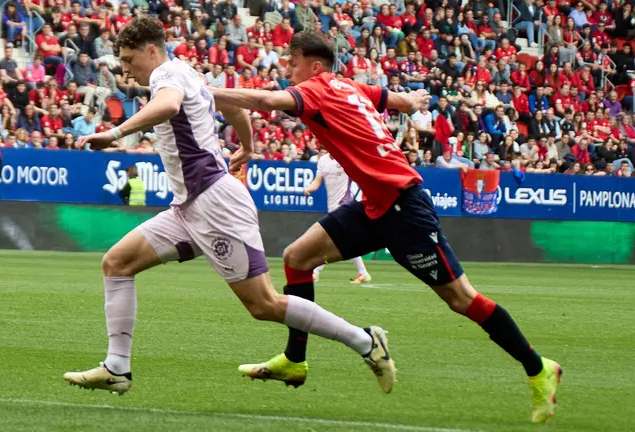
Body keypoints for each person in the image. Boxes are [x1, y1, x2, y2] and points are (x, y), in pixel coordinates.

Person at [209, 32, 561, 424]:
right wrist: (408, 102)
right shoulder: (345, 85)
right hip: (375, 206)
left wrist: (201, 90)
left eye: (292, 63)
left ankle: (538, 367)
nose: (287, 70)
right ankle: (295, 360)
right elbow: (385, 98)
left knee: (461, 299)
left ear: (315, 66)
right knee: (297, 257)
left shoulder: (318, 90)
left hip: (405, 208)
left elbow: (263, 101)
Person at [62, 16, 395, 396]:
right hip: (188, 207)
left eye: (127, 59)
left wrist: (117, 132)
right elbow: (234, 108)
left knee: (263, 303)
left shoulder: (164, 78)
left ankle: (365, 341)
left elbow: (169, 106)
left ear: (151, 51)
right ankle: (117, 367)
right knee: (117, 264)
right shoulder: (188, 73)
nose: (124, 68)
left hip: (214, 204)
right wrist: (248, 146)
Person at [302, 152, 371, 284]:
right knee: (343, 242)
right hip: (332, 206)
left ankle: (315, 273)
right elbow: (317, 182)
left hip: (344, 205)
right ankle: (363, 273)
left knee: (328, 239)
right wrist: (308, 189)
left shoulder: (345, 158)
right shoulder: (323, 160)